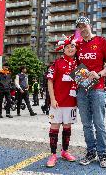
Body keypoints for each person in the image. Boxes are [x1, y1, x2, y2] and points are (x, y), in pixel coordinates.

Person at [76, 16, 106, 168]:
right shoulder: (78, 45)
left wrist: (99, 73)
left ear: (90, 26)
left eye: (84, 25)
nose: (82, 29)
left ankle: (103, 154)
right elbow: (71, 61)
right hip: (82, 90)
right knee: (86, 124)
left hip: (98, 89)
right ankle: (90, 152)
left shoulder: (102, 42)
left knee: (99, 123)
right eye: (79, 27)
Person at [46, 36, 78, 167]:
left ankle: (65, 151)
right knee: (54, 128)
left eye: (73, 46)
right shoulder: (57, 63)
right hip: (57, 103)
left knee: (67, 128)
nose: (71, 48)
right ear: (63, 49)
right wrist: (52, 99)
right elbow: (50, 81)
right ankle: (53, 154)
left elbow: (82, 83)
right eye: (68, 46)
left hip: (71, 102)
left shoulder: (78, 64)